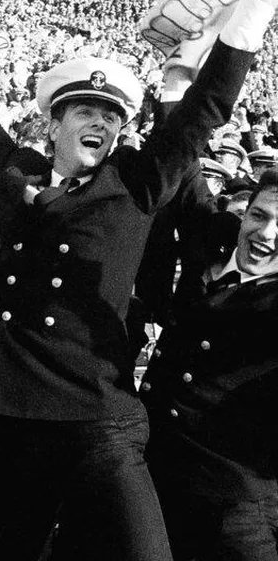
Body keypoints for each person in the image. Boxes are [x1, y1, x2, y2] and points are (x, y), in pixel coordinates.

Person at [0, 0, 278, 559]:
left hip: (103, 428)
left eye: (112, 115)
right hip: (19, 421)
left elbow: (208, 106)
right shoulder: (16, 176)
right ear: (50, 124)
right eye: (84, 109)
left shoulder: (136, 185)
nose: (100, 121)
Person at [142, 169, 278, 560]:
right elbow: (183, 164)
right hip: (156, 481)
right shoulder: (214, 240)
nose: (266, 234)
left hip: (232, 505)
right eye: (259, 215)